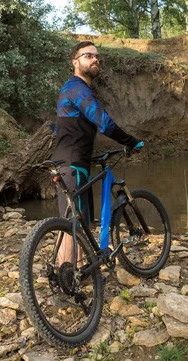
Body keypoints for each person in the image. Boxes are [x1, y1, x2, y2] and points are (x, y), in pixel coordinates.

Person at [52, 41, 143, 266]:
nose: (95, 59)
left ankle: (79, 271)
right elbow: (103, 122)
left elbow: (65, 129)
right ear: (75, 62)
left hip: (72, 163)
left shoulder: (72, 90)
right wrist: (131, 141)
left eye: (97, 57)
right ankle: (67, 275)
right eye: (88, 55)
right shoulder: (76, 87)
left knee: (76, 222)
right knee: (72, 224)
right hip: (72, 165)